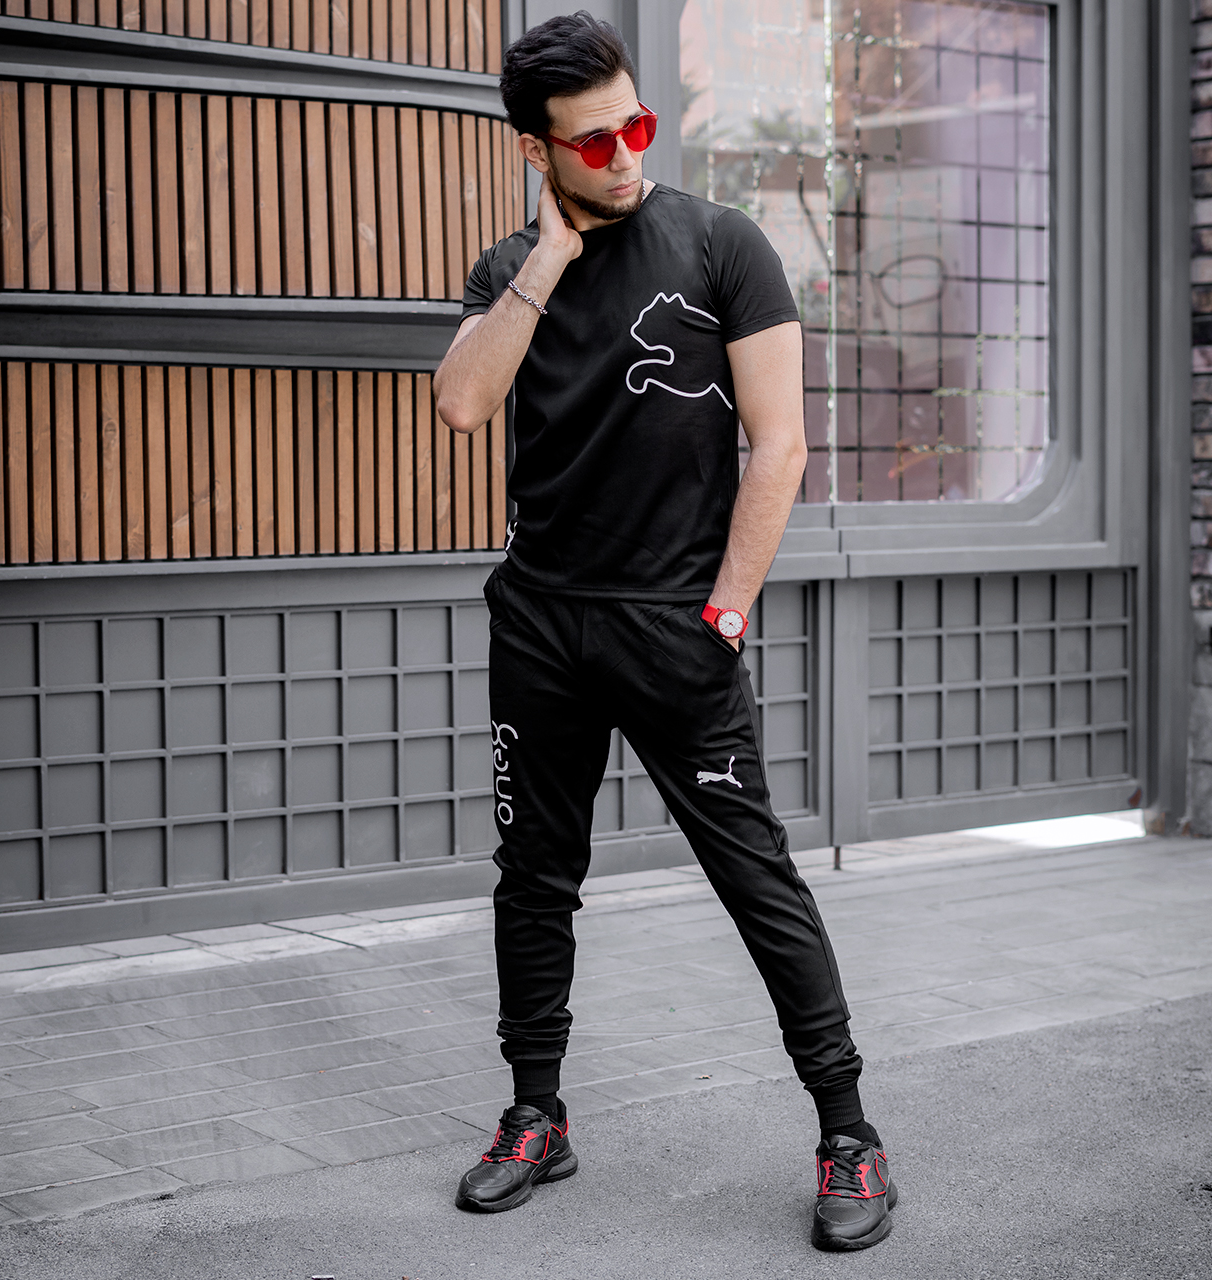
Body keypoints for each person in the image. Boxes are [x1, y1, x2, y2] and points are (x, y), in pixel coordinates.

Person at [431, 11, 896, 1252]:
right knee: (534, 876)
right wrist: (546, 259)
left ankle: (848, 1130)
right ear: (536, 150)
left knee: (754, 875)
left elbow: (779, 445)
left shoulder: (721, 244)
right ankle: (535, 1114)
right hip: (541, 626)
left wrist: (723, 614)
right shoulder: (508, 271)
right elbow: (462, 404)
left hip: (675, 629)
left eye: (634, 124)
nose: (625, 153)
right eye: (591, 142)